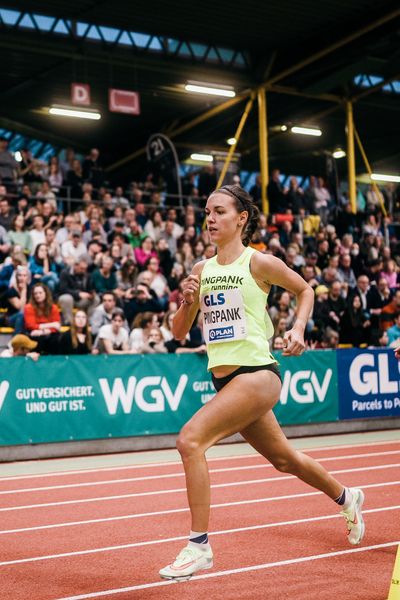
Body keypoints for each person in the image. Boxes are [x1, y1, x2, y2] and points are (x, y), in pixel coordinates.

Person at [159, 185, 365, 581]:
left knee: (190, 440)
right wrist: (186, 300)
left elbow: (305, 289)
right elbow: (180, 332)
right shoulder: (201, 270)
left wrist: (299, 327)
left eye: (219, 211)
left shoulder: (258, 263)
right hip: (227, 381)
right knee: (284, 460)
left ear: (242, 219)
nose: (210, 219)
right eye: (206, 212)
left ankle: (198, 546)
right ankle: (346, 495)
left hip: (258, 374)